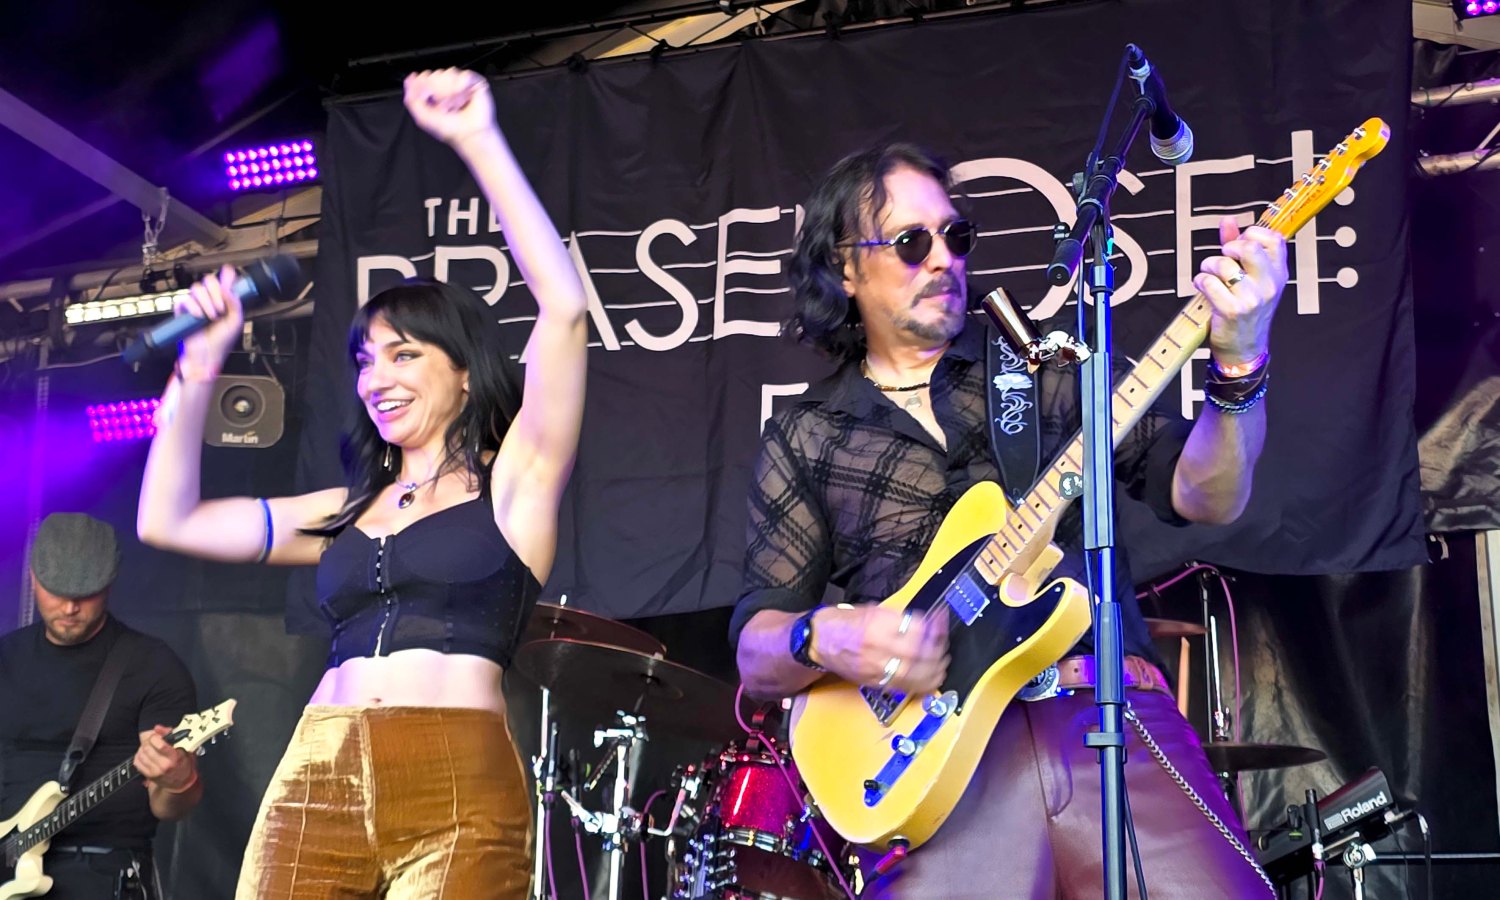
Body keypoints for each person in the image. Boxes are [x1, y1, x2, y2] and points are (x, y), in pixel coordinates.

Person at [730, 143, 1285, 898]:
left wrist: (1239, 364)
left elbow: (1208, 495)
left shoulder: (1045, 366)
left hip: (1107, 715)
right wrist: (823, 637)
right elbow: (758, 652)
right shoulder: (806, 433)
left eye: (955, 236)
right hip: (940, 767)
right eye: (911, 242)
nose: (942, 259)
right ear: (846, 267)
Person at [137, 68, 587, 899]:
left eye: (404, 354)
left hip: (458, 775)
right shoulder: (342, 512)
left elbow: (562, 310)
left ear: (465, 372)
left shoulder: (514, 485)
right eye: (364, 360)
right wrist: (197, 370)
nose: (376, 377)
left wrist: (476, 139)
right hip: (318, 767)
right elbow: (168, 521)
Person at [0, 512, 201, 899]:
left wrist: (178, 781)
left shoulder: (151, 665)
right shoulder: (6, 658)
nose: (69, 607)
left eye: (85, 593)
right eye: (57, 591)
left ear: (109, 584)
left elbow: (170, 807)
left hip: (103, 873)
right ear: (34, 578)